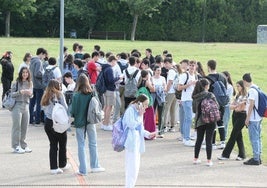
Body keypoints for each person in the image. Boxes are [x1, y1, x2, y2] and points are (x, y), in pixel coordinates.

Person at [70, 74, 105, 175]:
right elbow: (99, 105)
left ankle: (83, 169)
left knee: (81, 145)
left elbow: (73, 111)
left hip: (79, 122)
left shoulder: (76, 95)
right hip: (91, 121)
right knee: (93, 143)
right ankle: (95, 165)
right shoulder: (92, 93)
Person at [123, 94, 156, 187]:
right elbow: (131, 125)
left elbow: (141, 128)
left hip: (137, 143)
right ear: (139, 103)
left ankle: (131, 185)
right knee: (131, 168)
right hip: (131, 143)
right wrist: (139, 115)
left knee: (135, 168)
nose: (146, 107)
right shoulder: (130, 110)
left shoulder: (139, 112)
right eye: (145, 104)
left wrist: (148, 134)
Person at [41, 79, 70, 174]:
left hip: (48, 122)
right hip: (58, 123)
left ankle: (53, 167)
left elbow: (43, 108)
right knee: (62, 144)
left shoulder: (45, 95)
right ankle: (62, 163)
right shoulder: (59, 95)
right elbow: (65, 107)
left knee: (53, 145)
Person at [218, 80, 247, 161]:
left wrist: (236, 106)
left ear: (242, 86)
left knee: (233, 134)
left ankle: (226, 154)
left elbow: (241, 108)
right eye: (236, 86)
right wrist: (237, 105)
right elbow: (231, 107)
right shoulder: (238, 95)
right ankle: (242, 154)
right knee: (238, 135)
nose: (237, 88)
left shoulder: (246, 96)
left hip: (242, 116)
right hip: (235, 116)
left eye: (238, 86)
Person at [192, 78, 216, 167]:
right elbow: (216, 106)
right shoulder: (210, 95)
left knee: (199, 140)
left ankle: (196, 158)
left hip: (200, 121)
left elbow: (194, 110)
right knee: (208, 140)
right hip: (210, 120)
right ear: (206, 86)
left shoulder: (195, 96)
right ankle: (209, 160)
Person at [206, 60, 228, 149]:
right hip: (222, 102)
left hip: (212, 103)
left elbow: (206, 91)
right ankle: (223, 142)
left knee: (212, 123)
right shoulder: (222, 77)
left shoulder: (207, 78)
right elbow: (225, 89)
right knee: (220, 121)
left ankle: (213, 143)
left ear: (208, 66)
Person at [11, 67, 33, 154]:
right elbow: (12, 94)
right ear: (20, 73)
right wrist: (20, 92)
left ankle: (23, 145)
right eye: (23, 72)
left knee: (25, 127)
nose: (25, 74)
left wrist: (30, 94)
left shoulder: (30, 83)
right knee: (17, 127)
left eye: (26, 73)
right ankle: (16, 146)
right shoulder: (16, 82)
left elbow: (31, 96)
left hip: (26, 106)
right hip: (17, 105)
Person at [242, 73, 262, 165]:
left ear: (245, 81)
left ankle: (256, 158)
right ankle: (258, 157)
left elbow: (251, 105)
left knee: (254, 138)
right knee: (257, 138)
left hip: (253, 118)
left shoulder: (252, 91)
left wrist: (247, 118)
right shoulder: (257, 87)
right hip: (258, 117)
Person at [178, 60, 198, 147]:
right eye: (190, 65)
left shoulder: (195, 75)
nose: (192, 67)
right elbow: (179, 87)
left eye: (193, 65)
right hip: (186, 99)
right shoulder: (184, 75)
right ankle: (186, 138)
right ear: (188, 66)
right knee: (188, 119)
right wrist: (189, 84)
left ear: (196, 66)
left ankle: (185, 136)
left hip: (192, 99)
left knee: (187, 118)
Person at [100, 55, 122, 131]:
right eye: (115, 61)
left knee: (106, 106)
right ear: (112, 61)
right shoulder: (109, 69)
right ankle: (106, 123)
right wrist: (119, 78)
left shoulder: (104, 68)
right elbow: (111, 80)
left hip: (105, 89)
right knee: (110, 107)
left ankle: (104, 123)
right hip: (110, 90)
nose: (115, 63)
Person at [29, 47, 47, 125]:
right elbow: (37, 73)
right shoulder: (39, 62)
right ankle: (37, 120)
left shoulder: (32, 60)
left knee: (32, 103)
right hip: (39, 85)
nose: (44, 57)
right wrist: (44, 74)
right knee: (39, 103)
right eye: (44, 55)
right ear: (41, 54)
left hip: (33, 84)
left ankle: (30, 119)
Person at [161, 58, 177, 132]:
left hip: (170, 92)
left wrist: (166, 90)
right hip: (175, 92)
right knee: (172, 110)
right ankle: (172, 126)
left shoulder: (171, 71)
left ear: (169, 63)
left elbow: (170, 81)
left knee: (166, 109)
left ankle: (164, 126)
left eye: (166, 63)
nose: (165, 65)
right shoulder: (175, 70)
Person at [151, 65, 166, 137]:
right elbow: (151, 88)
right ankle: (152, 130)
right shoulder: (151, 78)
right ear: (154, 71)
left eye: (160, 70)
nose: (159, 72)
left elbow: (165, 87)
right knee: (152, 113)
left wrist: (159, 88)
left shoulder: (163, 78)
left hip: (161, 97)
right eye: (157, 70)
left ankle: (161, 131)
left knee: (161, 114)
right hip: (153, 96)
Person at [222, 71, 236, 139]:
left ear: (227, 77)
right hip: (221, 106)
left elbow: (228, 97)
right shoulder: (221, 84)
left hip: (227, 106)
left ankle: (223, 139)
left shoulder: (229, 87)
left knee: (225, 123)